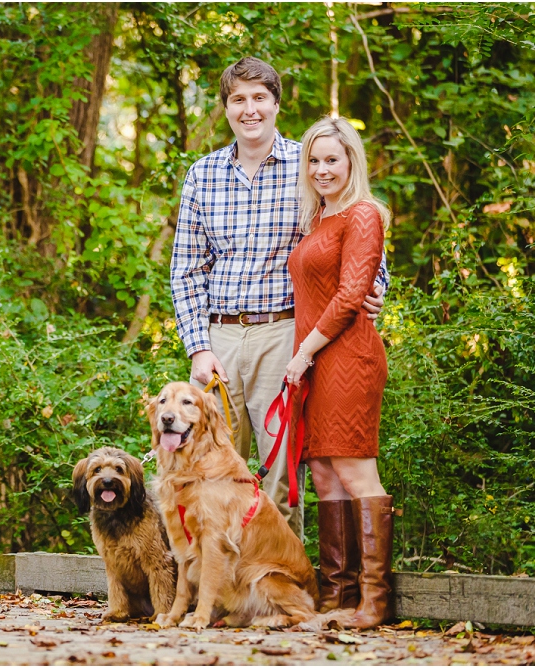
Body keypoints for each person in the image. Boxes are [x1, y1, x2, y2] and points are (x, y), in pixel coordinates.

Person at [170, 57, 386, 539]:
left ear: (276, 104)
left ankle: (278, 592)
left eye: (259, 98)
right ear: (226, 108)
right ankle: (221, 592)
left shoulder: (308, 164)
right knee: (210, 467)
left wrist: (375, 291)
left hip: (287, 334)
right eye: (238, 100)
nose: (250, 110)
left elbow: (358, 241)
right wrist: (198, 347)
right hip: (219, 338)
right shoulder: (202, 174)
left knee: (280, 473)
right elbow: (185, 269)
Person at [285, 116, 396, 629]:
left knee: (354, 471)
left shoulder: (364, 214)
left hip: (347, 356)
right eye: (314, 160)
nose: (322, 168)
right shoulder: (319, 218)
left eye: (332, 159)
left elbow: (353, 295)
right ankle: (336, 596)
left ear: (352, 160)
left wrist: (304, 350)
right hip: (317, 358)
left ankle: (374, 601)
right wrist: (307, 354)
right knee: (325, 475)